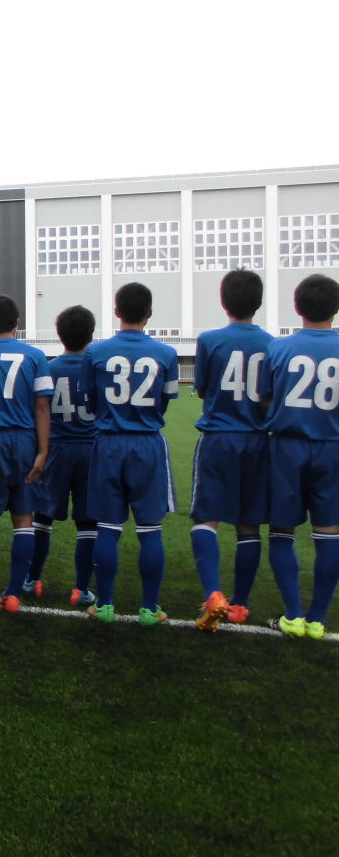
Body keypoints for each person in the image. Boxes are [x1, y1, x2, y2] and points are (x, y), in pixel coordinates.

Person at [79, 282, 179, 625]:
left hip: (108, 443)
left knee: (107, 527)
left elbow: (90, 401)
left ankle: (105, 604)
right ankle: (150, 608)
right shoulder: (166, 354)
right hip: (148, 443)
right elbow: (165, 401)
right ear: (149, 314)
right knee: (150, 529)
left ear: (116, 311)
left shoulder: (95, 353)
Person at [189, 270, 272, 631]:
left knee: (206, 518)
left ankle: (213, 593)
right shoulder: (273, 343)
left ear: (224, 302)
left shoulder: (210, 340)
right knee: (248, 523)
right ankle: (239, 604)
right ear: (259, 301)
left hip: (219, 437)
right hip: (257, 440)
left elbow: (204, 390)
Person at [260, 274, 339, 639]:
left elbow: (264, 398)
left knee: (281, 532)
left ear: (297, 307)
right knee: (329, 535)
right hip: (332, 448)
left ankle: (292, 615)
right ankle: (317, 618)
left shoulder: (278, 348)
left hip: (286, 447)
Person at [0, 295, 52, 614]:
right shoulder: (35, 355)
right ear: (17, 323)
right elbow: (42, 405)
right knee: (23, 519)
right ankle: (14, 594)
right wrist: (43, 450)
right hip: (24, 441)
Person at [28, 305, 99, 607]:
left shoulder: (48, 367)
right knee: (88, 523)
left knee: (42, 518)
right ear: (91, 334)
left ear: (59, 334)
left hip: (55, 449)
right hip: (91, 450)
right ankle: (81, 588)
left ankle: (32, 579)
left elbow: (38, 410)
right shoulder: (97, 367)